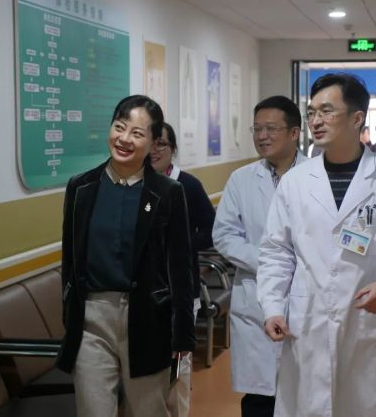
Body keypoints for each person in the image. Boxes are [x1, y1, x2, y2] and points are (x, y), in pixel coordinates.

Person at [257, 73, 376, 417]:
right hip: (308, 325)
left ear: (357, 119)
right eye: (312, 112)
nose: (316, 121)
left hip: (371, 325)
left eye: (327, 111)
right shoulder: (295, 182)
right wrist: (272, 305)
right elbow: (276, 252)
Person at [56, 95, 196, 417]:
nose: (124, 139)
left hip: (147, 318)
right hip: (91, 319)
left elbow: (180, 269)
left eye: (137, 133)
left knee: (149, 410)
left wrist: (183, 337)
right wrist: (69, 312)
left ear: (153, 143)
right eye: (120, 127)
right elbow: (70, 259)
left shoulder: (167, 192)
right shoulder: (81, 187)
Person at [213, 95, 308, 417]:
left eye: (271, 128)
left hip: (305, 297)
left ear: (294, 133)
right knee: (259, 400)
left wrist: (296, 265)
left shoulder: (318, 176)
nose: (262, 136)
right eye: (256, 129)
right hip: (254, 298)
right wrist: (269, 262)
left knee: (305, 395)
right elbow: (224, 235)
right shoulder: (241, 179)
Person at [151, 122, 216, 417]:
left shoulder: (187, 185)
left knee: (179, 361)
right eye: (150, 143)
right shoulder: (135, 185)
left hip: (182, 289)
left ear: (173, 149)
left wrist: (180, 243)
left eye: (162, 144)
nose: (154, 150)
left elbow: (212, 230)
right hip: (144, 292)